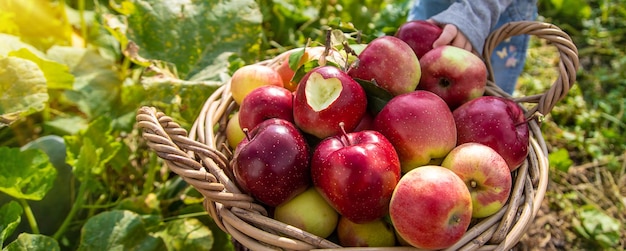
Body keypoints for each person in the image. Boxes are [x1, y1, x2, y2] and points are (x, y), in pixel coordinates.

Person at [408, 0, 538, 95]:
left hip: (494, 10)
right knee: (413, 75)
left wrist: (476, 13)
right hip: (436, 4)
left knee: (492, 90)